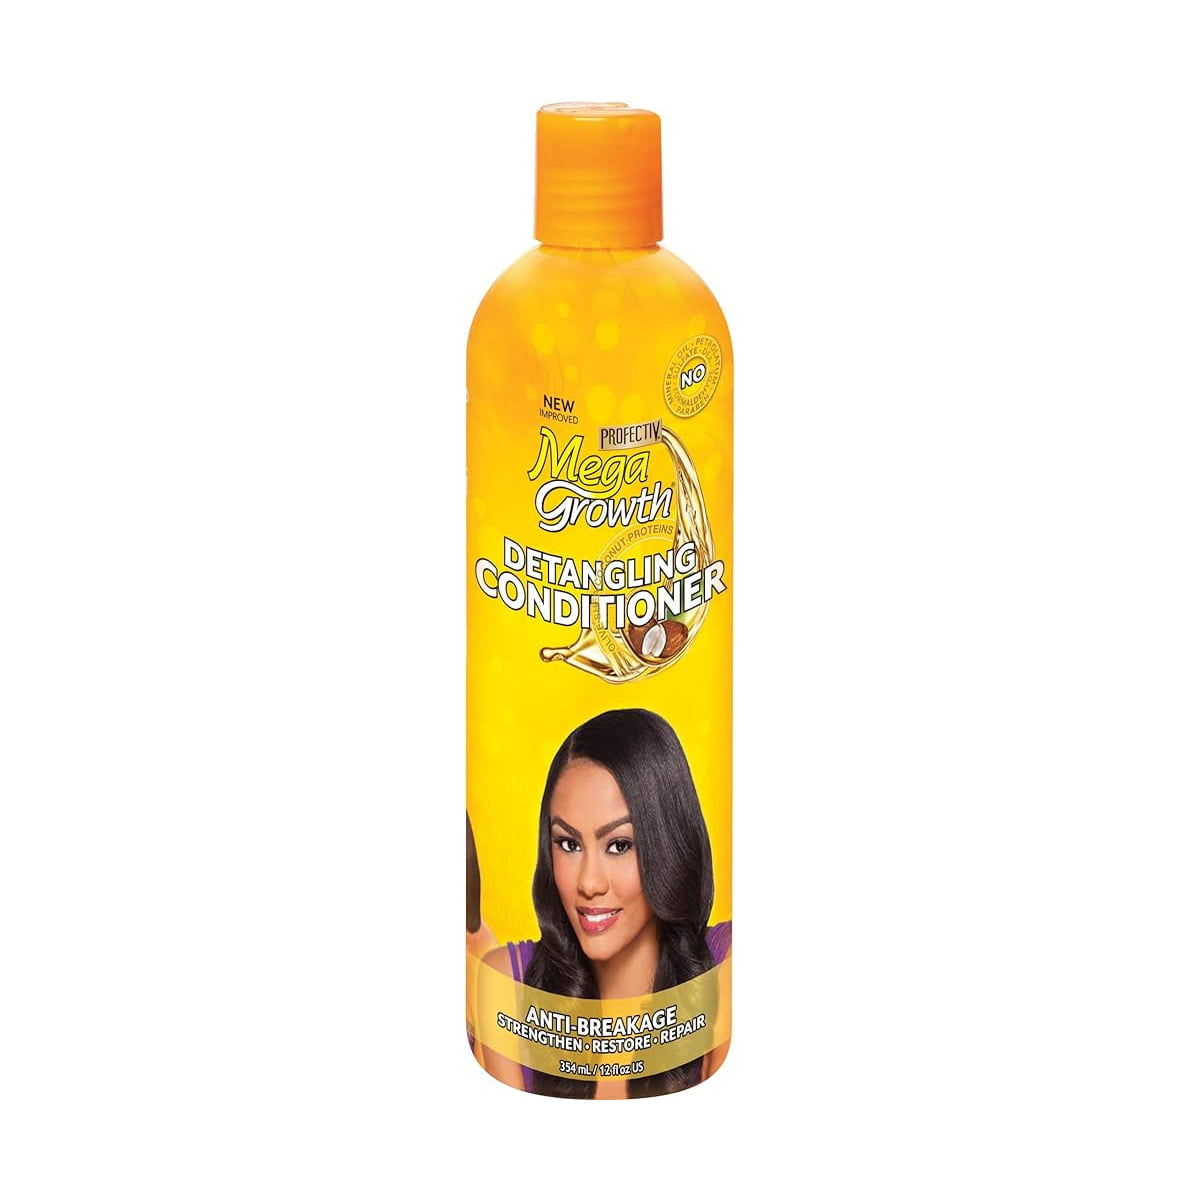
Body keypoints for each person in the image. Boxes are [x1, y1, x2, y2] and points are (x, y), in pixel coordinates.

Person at [481, 708, 730, 1098]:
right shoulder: (505, 985)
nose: (589, 883)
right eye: (569, 844)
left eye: (619, 845)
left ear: (668, 845)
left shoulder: (727, 967)